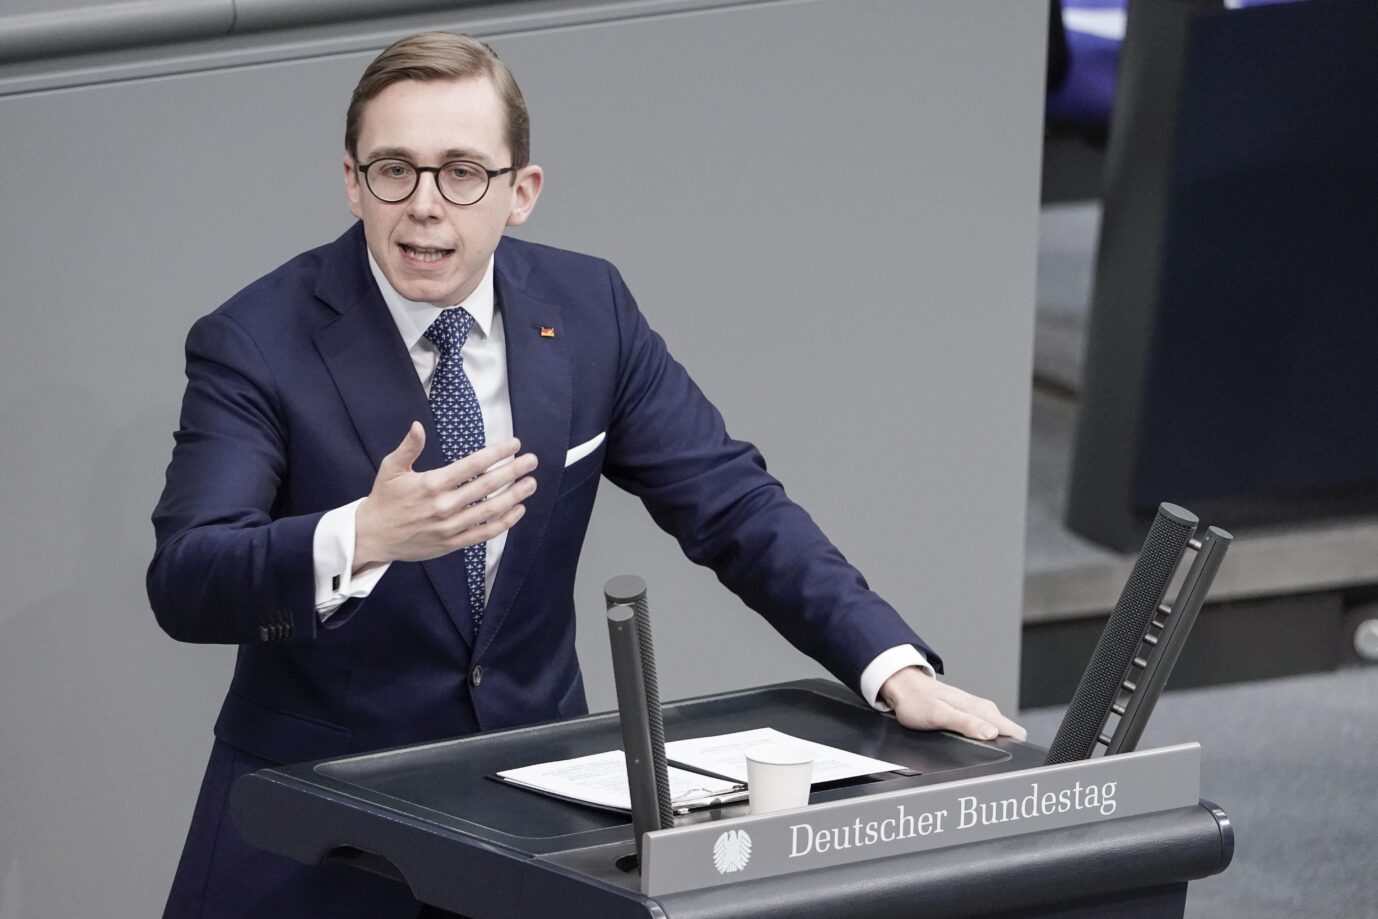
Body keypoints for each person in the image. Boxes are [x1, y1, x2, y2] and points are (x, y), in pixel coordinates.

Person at [148, 31, 1024, 919]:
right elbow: (188, 577)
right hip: (315, 831)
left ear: (519, 191)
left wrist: (889, 666)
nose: (423, 205)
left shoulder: (588, 308)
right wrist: (362, 537)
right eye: (393, 170)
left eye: (461, 172)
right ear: (351, 181)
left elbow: (731, 502)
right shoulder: (257, 339)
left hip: (529, 825)